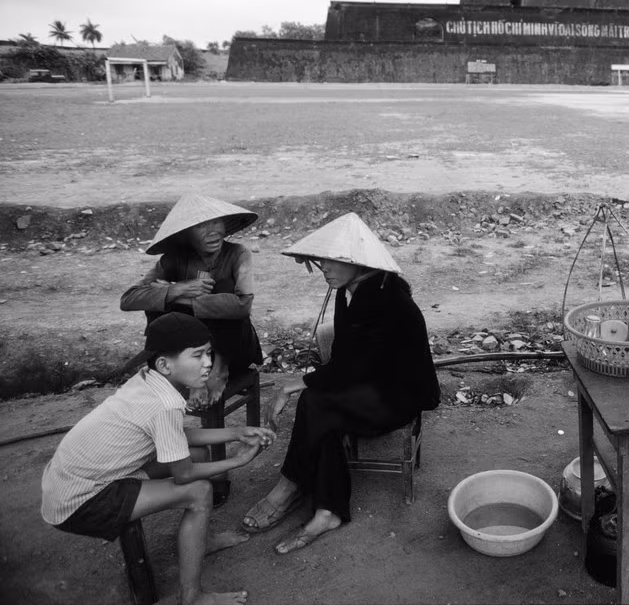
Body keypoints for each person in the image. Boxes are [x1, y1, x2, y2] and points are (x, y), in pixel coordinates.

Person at [41, 313, 276, 605]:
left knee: (199, 454)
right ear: (165, 364)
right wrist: (237, 461)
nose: (208, 363)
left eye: (209, 353)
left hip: (72, 478)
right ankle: (192, 597)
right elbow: (184, 475)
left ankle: (198, 541)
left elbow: (176, 436)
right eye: (198, 356)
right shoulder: (164, 404)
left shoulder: (148, 381)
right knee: (199, 491)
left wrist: (237, 432)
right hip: (82, 500)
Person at [241, 212, 440, 555]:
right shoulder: (355, 288)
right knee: (321, 413)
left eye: (333, 261)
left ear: (359, 261)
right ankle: (326, 509)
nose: (325, 268)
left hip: (396, 397)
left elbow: (351, 366)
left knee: (315, 402)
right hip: (371, 383)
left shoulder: (383, 299)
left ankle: (291, 486)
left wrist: (291, 385)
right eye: (321, 261)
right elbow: (349, 360)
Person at [121, 193, 264, 505]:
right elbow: (128, 299)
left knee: (224, 303)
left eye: (217, 223)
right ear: (186, 233)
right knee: (161, 309)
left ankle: (217, 369)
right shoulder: (174, 258)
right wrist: (176, 289)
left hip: (233, 349)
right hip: (189, 352)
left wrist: (182, 298)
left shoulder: (237, 254)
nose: (213, 231)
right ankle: (186, 371)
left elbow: (243, 306)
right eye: (202, 226)